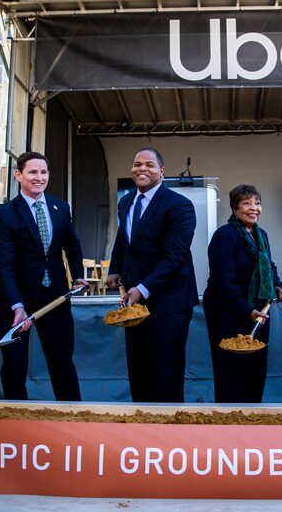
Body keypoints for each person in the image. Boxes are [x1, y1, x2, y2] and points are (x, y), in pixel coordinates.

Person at [0, 151, 87, 401]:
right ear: (18, 175)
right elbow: (3, 264)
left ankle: (72, 418)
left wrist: (78, 276)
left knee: (62, 363)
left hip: (55, 299)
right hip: (16, 303)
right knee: (14, 366)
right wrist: (17, 305)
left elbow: (72, 246)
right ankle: (16, 423)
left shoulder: (60, 207)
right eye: (33, 172)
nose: (39, 177)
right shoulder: (4, 215)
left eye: (43, 172)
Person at [106, 147, 198, 403]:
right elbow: (123, 239)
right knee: (139, 370)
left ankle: (168, 435)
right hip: (135, 304)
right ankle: (142, 429)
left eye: (149, 164)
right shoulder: (126, 201)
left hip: (171, 302)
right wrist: (115, 267)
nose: (142, 169)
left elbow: (175, 256)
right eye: (137, 164)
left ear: (161, 171)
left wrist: (143, 288)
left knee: (166, 373)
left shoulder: (180, 205)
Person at [203, 185, 282, 403]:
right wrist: (248, 310)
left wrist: (276, 286)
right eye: (247, 203)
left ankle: (252, 419)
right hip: (227, 310)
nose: (254, 208)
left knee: (256, 367)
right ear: (234, 208)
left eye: (257, 203)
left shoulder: (262, 235)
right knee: (232, 370)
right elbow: (223, 282)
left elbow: (269, 265)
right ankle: (230, 423)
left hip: (259, 308)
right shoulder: (224, 236)